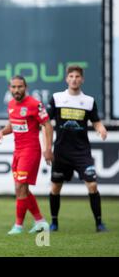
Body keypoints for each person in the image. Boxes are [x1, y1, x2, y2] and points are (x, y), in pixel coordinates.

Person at [47, 65, 108, 232]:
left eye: (77, 76)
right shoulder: (57, 98)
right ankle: (54, 223)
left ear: (82, 79)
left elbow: (95, 121)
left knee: (93, 185)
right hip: (61, 153)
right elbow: (45, 121)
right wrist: (46, 147)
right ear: (67, 79)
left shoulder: (88, 101)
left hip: (82, 152)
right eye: (71, 76)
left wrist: (100, 129)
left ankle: (99, 224)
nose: (74, 79)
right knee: (55, 188)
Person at [0, 75, 54, 235]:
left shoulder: (35, 104)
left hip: (31, 151)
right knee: (21, 188)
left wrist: (48, 148)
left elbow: (47, 125)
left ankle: (18, 225)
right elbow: (13, 124)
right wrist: (2, 131)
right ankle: (41, 222)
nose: (16, 90)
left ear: (25, 87)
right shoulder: (11, 104)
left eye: (19, 87)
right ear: (10, 89)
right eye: (13, 87)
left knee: (21, 187)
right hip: (18, 151)